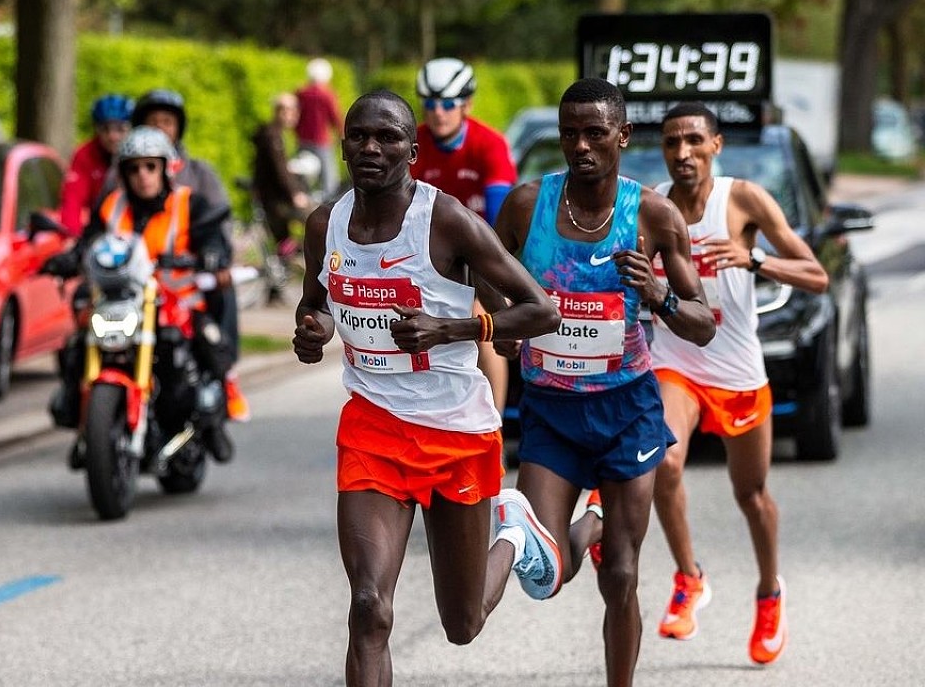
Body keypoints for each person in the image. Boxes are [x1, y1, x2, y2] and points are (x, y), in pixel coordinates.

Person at [292, 90, 563, 686]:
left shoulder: (445, 220)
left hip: (455, 433)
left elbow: (541, 310)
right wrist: (312, 330)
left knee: (463, 623)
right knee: (369, 606)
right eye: (359, 135)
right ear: (342, 147)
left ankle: (515, 534)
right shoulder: (325, 224)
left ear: (412, 153)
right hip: (373, 427)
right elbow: (316, 303)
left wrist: (452, 328)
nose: (371, 147)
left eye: (388, 137)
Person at [488, 78, 716, 687]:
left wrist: (659, 294)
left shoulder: (654, 216)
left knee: (619, 573)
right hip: (551, 411)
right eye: (570, 134)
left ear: (623, 135)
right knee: (545, 571)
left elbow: (702, 326)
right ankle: (592, 517)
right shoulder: (527, 206)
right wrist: (502, 325)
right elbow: (481, 269)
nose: (581, 146)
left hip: (626, 413)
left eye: (595, 133)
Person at [647, 101, 828, 664]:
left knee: (750, 495)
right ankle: (688, 578)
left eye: (694, 141)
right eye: (672, 142)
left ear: (715, 145)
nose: (683, 153)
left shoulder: (743, 198)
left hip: (737, 372)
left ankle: (769, 592)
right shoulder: (651, 207)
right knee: (665, 463)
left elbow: (817, 276)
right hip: (676, 363)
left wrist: (754, 260)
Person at [41, 126, 236, 463]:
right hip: (120, 300)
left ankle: (212, 422)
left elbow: (212, 237)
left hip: (176, 302)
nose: (142, 175)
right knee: (77, 343)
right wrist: (69, 259)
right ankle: (84, 422)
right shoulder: (111, 206)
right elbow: (90, 241)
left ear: (166, 168)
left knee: (209, 344)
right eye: (134, 168)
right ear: (123, 173)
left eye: (150, 166)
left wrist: (212, 254)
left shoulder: (188, 202)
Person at [126, 88, 247, 420]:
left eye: (167, 122)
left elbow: (217, 223)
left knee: (219, 295)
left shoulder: (199, 175)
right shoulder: (121, 176)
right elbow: (101, 222)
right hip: (130, 284)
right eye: (152, 122)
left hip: (186, 280)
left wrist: (214, 256)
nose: (142, 176)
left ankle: (225, 376)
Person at [410, 57, 518, 415]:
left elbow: (499, 219)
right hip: (424, 258)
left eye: (448, 104)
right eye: (430, 104)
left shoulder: (490, 144)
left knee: (482, 324)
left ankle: (494, 423)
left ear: (467, 105)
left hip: (478, 255)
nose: (438, 112)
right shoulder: (413, 145)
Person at [59, 94, 134, 236]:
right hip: (97, 229)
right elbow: (72, 200)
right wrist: (70, 235)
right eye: (105, 129)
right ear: (96, 129)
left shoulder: (140, 156)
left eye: (120, 129)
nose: (112, 136)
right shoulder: (84, 155)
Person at [251, 92, 311, 256]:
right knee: (314, 218)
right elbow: (280, 170)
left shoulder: (275, 134)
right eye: (293, 111)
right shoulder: (273, 137)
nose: (296, 115)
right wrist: (295, 194)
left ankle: (290, 253)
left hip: (273, 197)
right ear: (282, 112)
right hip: (275, 199)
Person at [295, 57, 343, 197]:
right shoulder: (327, 95)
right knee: (329, 180)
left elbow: (295, 117)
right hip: (322, 141)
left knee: (303, 176)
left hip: (303, 140)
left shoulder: (301, 93)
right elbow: (335, 117)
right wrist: (342, 135)